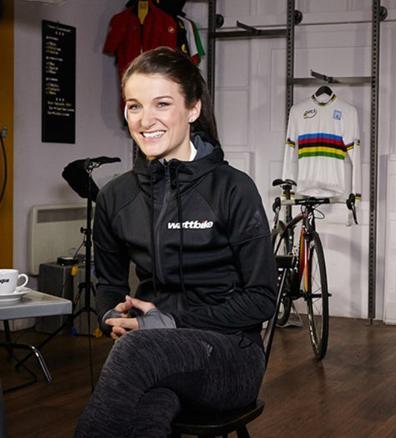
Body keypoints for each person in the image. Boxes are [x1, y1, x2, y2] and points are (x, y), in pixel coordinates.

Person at [75, 47, 277, 437]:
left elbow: (261, 299)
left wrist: (168, 321)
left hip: (230, 355)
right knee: (144, 412)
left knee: (136, 354)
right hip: (153, 352)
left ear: (193, 108)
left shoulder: (233, 189)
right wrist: (111, 316)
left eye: (162, 104)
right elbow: (110, 284)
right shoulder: (116, 196)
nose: (144, 120)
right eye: (134, 106)